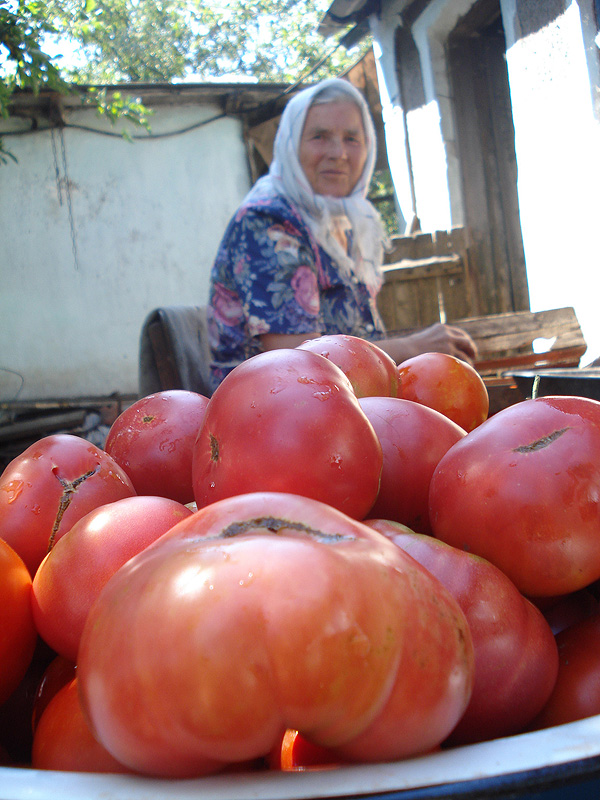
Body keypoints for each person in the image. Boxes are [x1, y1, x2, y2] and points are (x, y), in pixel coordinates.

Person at [207, 77, 477, 391]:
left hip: (339, 397)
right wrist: (413, 347)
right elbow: (297, 363)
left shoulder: (340, 221)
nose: (339, 153)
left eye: (352, 137)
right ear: (290, 145)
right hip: (267, 410)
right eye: (319, 136)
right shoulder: (269, 221)